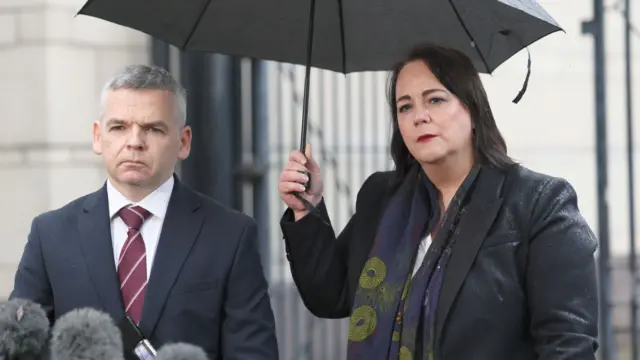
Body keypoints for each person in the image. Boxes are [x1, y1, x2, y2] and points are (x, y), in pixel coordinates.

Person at [278, 44, 599, 359]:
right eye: (405, 107)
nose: (420, 116)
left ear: (473, 111)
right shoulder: (382, 198)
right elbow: (330, 297)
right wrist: (306, 209)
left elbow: (567, 344)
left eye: (435, 100)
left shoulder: (538, 204)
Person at [10, 64, 279, 359]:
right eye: (119, 127)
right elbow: (18, 348)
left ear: (184, 141)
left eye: (153, 128)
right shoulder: (50, 235)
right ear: (98, 136)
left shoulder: (230, 236)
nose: (134, 142)